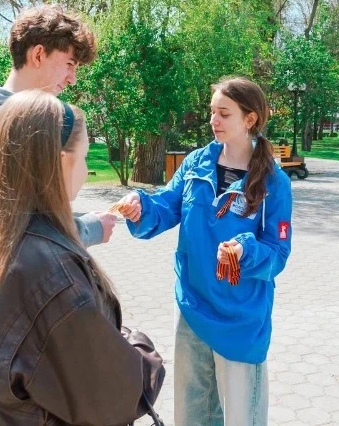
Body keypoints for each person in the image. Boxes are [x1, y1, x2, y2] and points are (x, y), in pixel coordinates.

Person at [0, 5, 116, 425]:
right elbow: (2, 240)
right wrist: (88, 229)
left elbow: (25, 221)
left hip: (14, 317)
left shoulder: (15, 124)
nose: (72, 78)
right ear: (38, 54)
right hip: (8, 320)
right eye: (69, 63)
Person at [0, 90, 165, 425]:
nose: (87, 169)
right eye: (85, 157)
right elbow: (118, 394)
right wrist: (139, 346)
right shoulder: (52, 272)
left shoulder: (5, 239)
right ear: (61, 161)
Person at [117, 77, 292, 426]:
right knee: (191, 415)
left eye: (224, 114)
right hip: (192, 307)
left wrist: (245, 250)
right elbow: (165, 206)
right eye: (212, 112)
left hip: (240, 317)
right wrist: (141, 207)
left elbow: (278, 252)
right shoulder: (196, 163)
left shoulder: (274, 182)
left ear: (250, 119)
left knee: (243, 417)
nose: (214, 120)